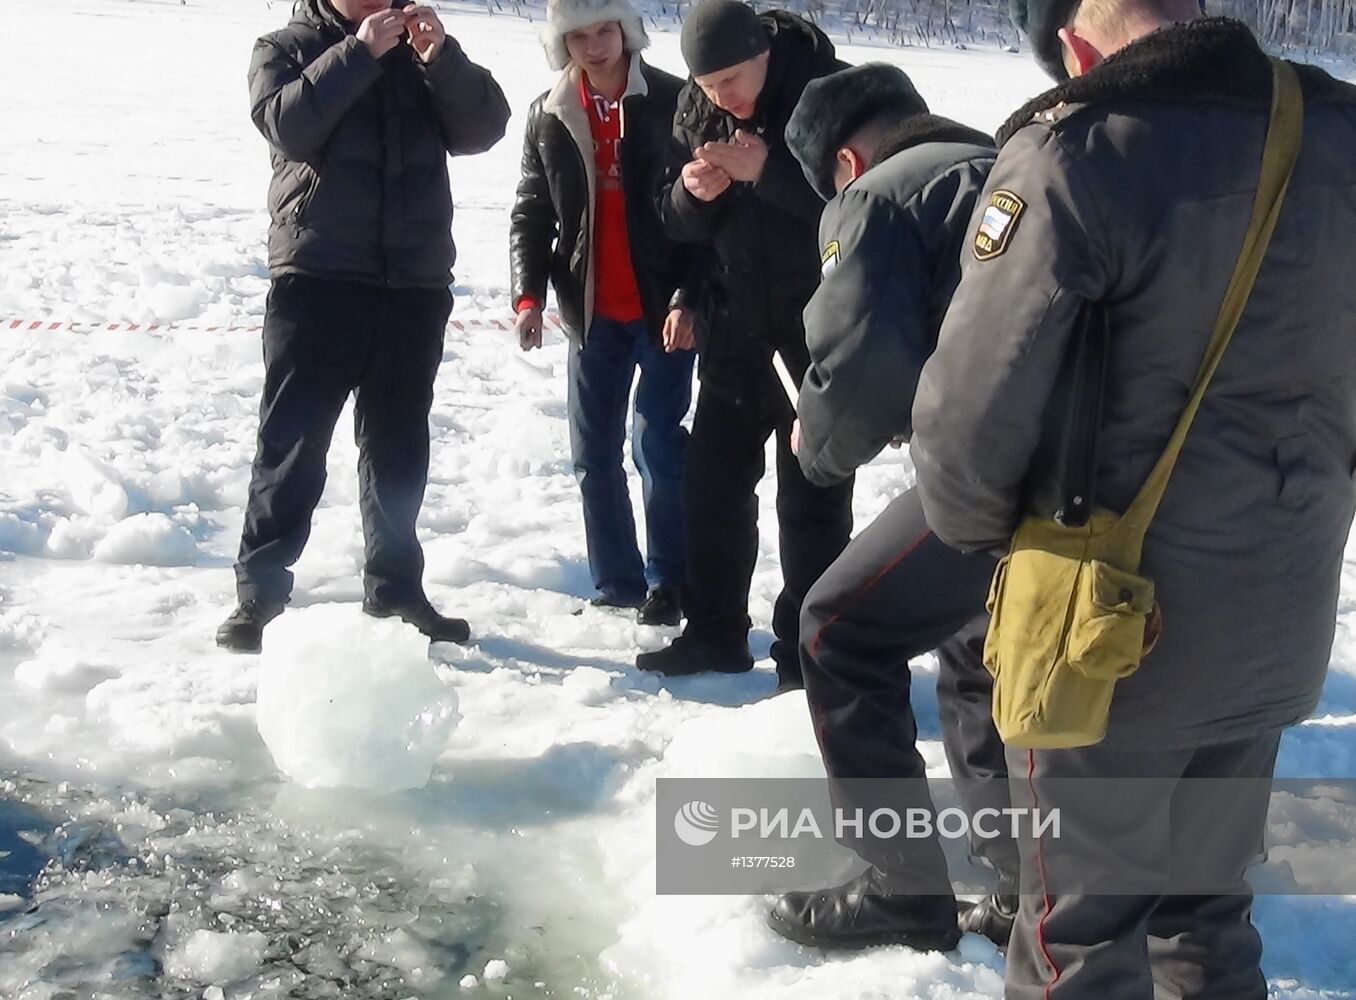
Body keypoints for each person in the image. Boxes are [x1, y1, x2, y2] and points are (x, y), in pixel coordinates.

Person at [911, 4, 1356, 996]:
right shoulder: (1335, 129)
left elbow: (967, 427)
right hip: (1280, 605)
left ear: (1072, 43)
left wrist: (984, 534)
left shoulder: (1078, 150)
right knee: (1207, 914)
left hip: (1111, 636)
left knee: (1081, 936)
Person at [764, 63, 1017, 953]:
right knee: (977, 652)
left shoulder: (874, 197)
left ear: (843, 157)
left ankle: (900, 886)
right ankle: (1024, 886)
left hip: (999, 478)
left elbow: (863, 371)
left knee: (838, 629)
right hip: (1089, 474)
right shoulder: (1005, 165)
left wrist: (816, 443)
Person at [217, 0, 509, 652]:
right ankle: (259, 596)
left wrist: (441, 59)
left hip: (412, 285)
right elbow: (289, 128)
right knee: (293, 445)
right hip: (318, 278)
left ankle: (397, 591)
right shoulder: (284, 46)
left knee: (398, 452)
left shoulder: (421, 51)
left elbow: (484, 127)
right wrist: (358, 53)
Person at [636, 0, 853, 687]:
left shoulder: (834, 99)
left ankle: (805, 653)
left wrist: (773, 176)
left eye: (731, 79)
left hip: (816, 339)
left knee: (812, 505)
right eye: (705, 85)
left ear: (763, 51)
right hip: (735, 332)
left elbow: (873, 210)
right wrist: (692, 198)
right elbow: (676, 226)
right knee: (714, 491)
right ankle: (714, 633)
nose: (719, 98)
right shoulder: (699, 113)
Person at [510, 0, 697, 627]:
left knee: (659, 447)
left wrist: (688, 297)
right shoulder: (550, 113)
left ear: (627, 31)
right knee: (593, 453)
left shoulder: (675, 101)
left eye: (605, 31)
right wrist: (529, 297)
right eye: (580, 35)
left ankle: (669, 579)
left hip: (662, 311)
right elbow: (531, 212)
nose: (595, 47)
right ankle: (616, 581)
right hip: (591, 315)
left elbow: (706, 219)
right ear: (561, 43)